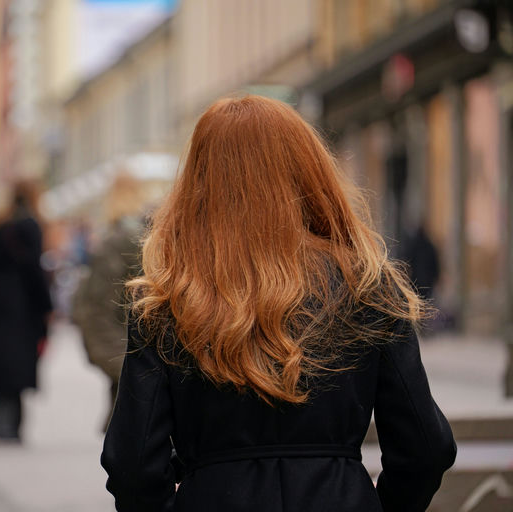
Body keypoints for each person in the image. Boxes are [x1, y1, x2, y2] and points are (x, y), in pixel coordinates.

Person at [101, 96, 456, 511]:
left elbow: (132, 463)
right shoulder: (367, 286)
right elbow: (426, 446)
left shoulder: (166, 302)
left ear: (198, 182)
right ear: (308, 173)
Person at [0, 181, 52, 442]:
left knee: (3, 366)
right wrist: (46, 306)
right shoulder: (30, 225)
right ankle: (9, 426)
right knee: (17, 366)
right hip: (23, 306)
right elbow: (34, 270)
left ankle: (3, 425)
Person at [72, 173, 145, 432]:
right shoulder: (138, 235)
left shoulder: (115, 237)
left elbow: (97, 303)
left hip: (124, 342)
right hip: (133, 344)